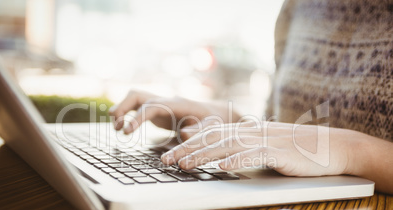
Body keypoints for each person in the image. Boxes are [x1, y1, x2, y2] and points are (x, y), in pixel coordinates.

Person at [109, 0, 393, 194]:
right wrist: (230, 121)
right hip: (276, 205)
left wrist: (352, 150)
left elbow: (315, 143)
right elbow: (284, 125)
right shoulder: (298, 5)